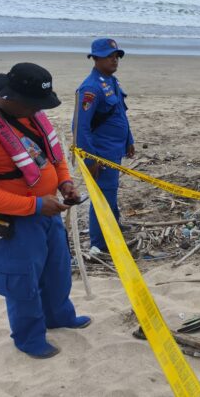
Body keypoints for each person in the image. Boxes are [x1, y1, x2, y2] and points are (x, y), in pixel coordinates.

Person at [0, 63, 90, 359]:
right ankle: (28, 337)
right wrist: (33, 206)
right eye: (34, 105)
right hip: (15, 223)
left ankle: (59, 316)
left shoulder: (32, 115)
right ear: (9, 98)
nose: (38, 111)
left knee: (57, 271)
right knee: (21, 282)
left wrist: (65, 183)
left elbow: (54, 156)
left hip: (48, 214)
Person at [74, 38, 134, 252]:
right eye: (109, 56)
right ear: (95, 58)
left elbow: (120, 113)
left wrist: (129, 140)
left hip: (115, 149)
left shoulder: (112, 81)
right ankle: (100, 244)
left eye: (116, 56)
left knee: (110, 193)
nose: (114, 60)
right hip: (101, 154)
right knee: (102, 197)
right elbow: (80, 128)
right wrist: (91, 159)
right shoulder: (90, 88)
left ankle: (113, 227)